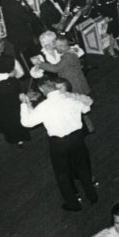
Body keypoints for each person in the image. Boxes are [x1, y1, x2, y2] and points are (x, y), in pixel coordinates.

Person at [19, 77, 97, 211]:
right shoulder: (69, 100)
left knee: (62, 173)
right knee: (83, 167)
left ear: (42, 90)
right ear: (55, 86)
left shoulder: (44, 106)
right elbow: (85, 109)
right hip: (77, 138)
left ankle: (73, 203)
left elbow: (27, 122)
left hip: (58, 143)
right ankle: (92, 195)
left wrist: (24, 104)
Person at [0, 37, 30, 147]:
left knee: (4, 112)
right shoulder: (11, 58)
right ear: (1, 48)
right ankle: (22, 135)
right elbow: (21, 74)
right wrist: (11, 76)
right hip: (13, 86)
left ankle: (12, 136)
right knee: (17, 109)